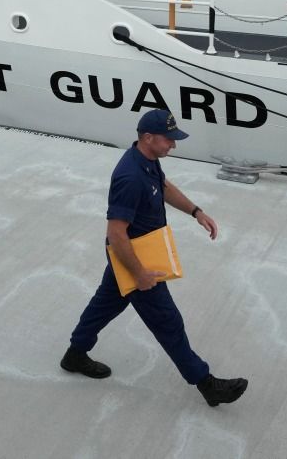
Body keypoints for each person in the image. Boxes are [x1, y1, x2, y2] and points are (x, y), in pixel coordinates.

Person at [60, 109, 248, 407]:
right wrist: (139, 274)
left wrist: (196, 212)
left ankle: (74, 354)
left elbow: (163, 187)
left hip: (131, 257)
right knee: (168, 321)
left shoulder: (146, 160)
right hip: (135, 259)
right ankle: (207, 384)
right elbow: (117, 233)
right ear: (148, 138)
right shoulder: (130, 177)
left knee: (104, 304)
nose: (173, 145)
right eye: (168, 140)